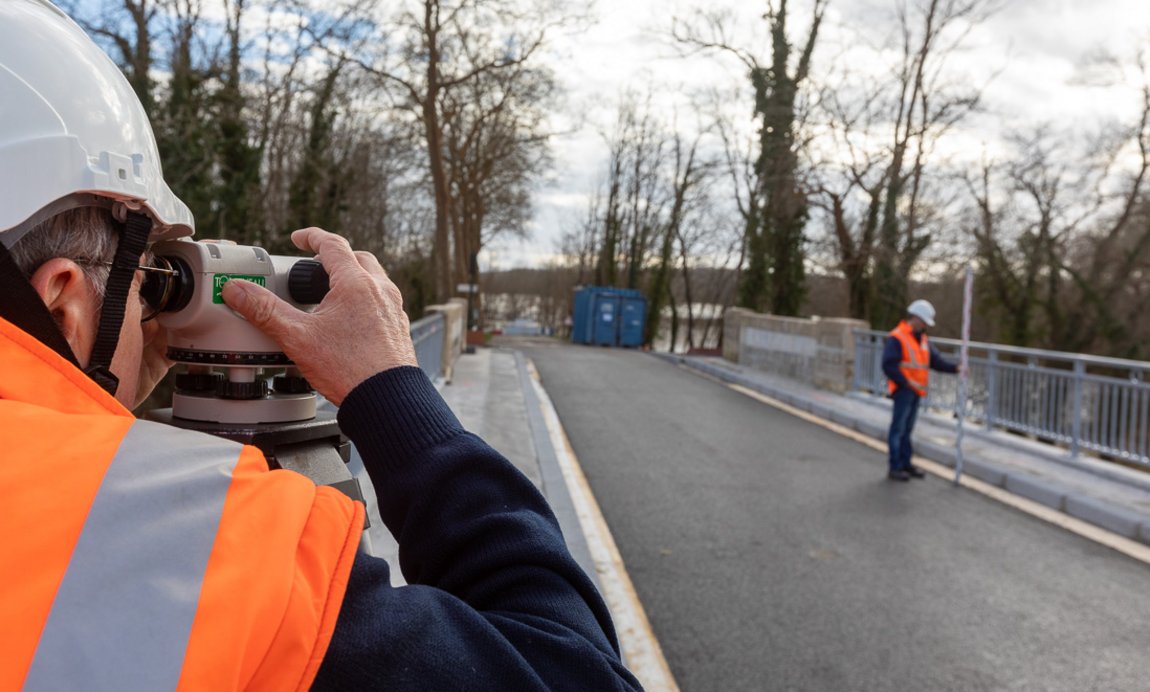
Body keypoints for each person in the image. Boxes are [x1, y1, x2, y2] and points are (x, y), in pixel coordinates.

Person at [0, 2, 640, 689]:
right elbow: (577, 672)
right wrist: (394, 394)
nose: (151, 309)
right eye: (144, 279)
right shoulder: (209, 541)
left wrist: (102, 388)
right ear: (62, 301)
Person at [882, 299, 959, 482]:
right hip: (903, 390)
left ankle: (906, 464)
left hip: (916, 391)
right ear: (915, 318)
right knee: (898, 429)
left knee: (907, 429)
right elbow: (888, 365)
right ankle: (895, 467)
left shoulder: (923, 340)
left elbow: (936, 362)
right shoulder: (897, 337)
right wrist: (906, 382)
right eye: (923, 322)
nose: (925, 326)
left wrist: (956, 368)